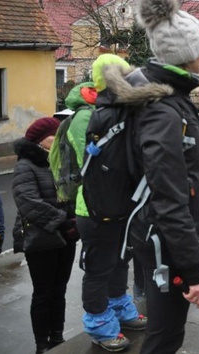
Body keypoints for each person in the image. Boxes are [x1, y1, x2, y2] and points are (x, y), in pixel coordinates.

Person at [122, 0, 199, 354]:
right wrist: (195, 274)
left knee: (165, 330)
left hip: (158, 235)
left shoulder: (165, 95)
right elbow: (169, 197)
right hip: (163, 239)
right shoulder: (163, 109)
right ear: (188, 56)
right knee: (165, 335)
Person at [71, 56, 147, 353]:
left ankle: (119, 307)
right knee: (99, 268)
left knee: (119, 263)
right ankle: (99, 324)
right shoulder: (87, 117)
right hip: (92, 207)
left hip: (116, 205)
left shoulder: (112, 112)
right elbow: (92, 168)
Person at [12, 117, 77, 353]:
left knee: (59, 290)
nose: (59, 139)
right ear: (41, 140)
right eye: (54, 135)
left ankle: (57, 338)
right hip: (41, 240)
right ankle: (42, 344)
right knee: (43, 293)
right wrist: (63, 221)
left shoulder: (59, 162)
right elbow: (28, 202)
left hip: (65, 237)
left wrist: (75, 219)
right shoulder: (25, 166)